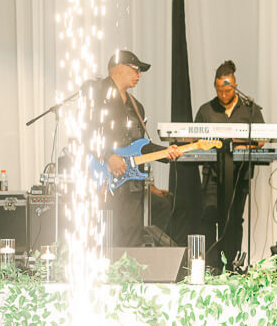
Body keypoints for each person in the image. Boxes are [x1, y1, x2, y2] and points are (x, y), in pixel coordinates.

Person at [89, 49, 180, 247]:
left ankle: (127, 276)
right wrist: (108, 156)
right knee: (104, 235)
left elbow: (141, 145)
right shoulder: (95, 93)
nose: (139, 76)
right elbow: (86, 131)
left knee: (131, 235)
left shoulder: (136, 105)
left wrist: (167, 154)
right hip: (103, 178)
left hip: (130, 183)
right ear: (119, 68)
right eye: (135, 70)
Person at [194, 60, 265, 271]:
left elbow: (261, 138)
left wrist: (240, 142)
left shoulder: (250, 109)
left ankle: (232, 265)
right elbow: (194, 139)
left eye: (227, 90)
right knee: (210, 216)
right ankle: (210, 265)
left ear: (234, 86)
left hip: (239, 174)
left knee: (234, 219)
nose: (223, 95)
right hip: (212, 174)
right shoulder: (206, 110)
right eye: (219, 91)